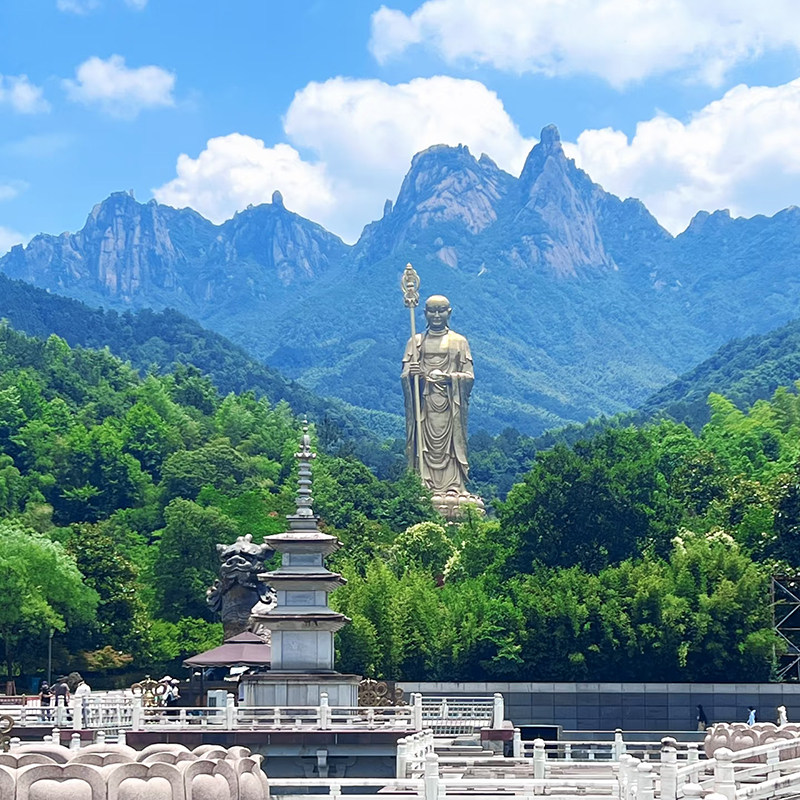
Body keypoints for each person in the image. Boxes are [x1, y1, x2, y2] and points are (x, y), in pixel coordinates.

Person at [401, 295, 474, 497]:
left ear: (449, 312)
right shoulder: (416, 342)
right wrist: (412, 375)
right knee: (423, 445)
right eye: (431, 311)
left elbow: (469, 377)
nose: (436, 315)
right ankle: (424, 482)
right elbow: (406, 376)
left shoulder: (459, 342)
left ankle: (453, 484)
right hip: (424, 406)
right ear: (424, 313)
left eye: (441, 310)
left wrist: (449, 378)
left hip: (451, 406)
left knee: (450, 446)